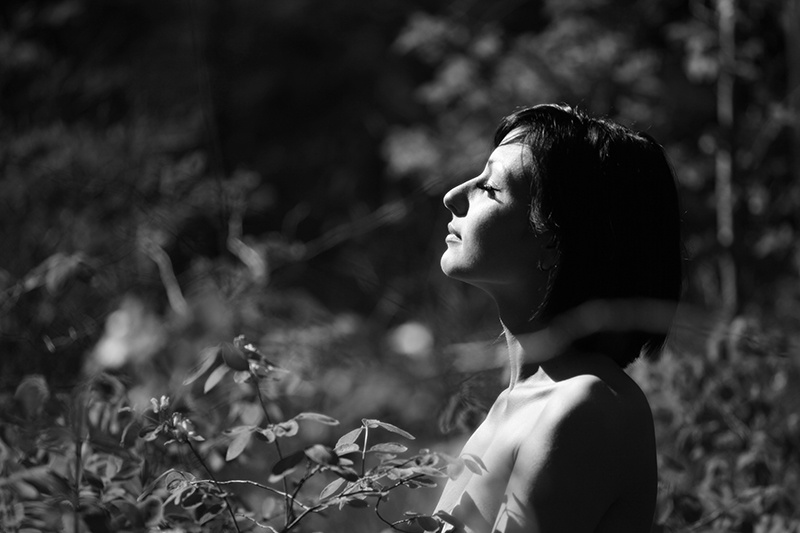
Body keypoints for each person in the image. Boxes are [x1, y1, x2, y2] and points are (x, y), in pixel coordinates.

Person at [434, 103, 682, 533]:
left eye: (490, 187)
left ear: (552, 238)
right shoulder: (514, 406)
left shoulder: (586, 407)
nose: (453, 196)